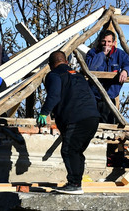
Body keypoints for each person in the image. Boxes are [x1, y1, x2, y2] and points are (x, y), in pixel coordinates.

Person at [36, 50, 101, 194]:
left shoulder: (54, 75)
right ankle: (76, 182)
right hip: (93, 118)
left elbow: (54, 96)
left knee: (69, 150)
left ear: (51, 65)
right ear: (66, 62)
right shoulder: (78, 75)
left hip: (77, 118)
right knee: (76, 151)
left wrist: (44, 112)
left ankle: (74, 184)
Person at [83, 29, 129, 124]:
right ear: (99, 42)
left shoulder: (119, 54)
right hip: (93, 97)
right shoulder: (92, 53)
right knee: (90, 124)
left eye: (109, 41)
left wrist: (125, 71)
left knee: (108, 126)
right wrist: (102, 54)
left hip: (109, 97)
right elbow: (90, 67)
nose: (106, 44)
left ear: (114, 43)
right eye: (104, 41)